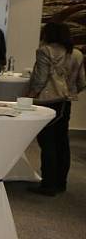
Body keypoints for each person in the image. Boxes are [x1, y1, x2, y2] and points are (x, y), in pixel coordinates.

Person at [26, 22, 86, 196]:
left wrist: (30, 95)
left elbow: (40, 79)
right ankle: (60, 182)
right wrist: (68, 91)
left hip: (48, 101)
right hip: (65, 103)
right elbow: (82, 82)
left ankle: (49, 184)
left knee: (47, 142)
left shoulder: (45, 51)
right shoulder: (76, 53)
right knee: (61, 141)